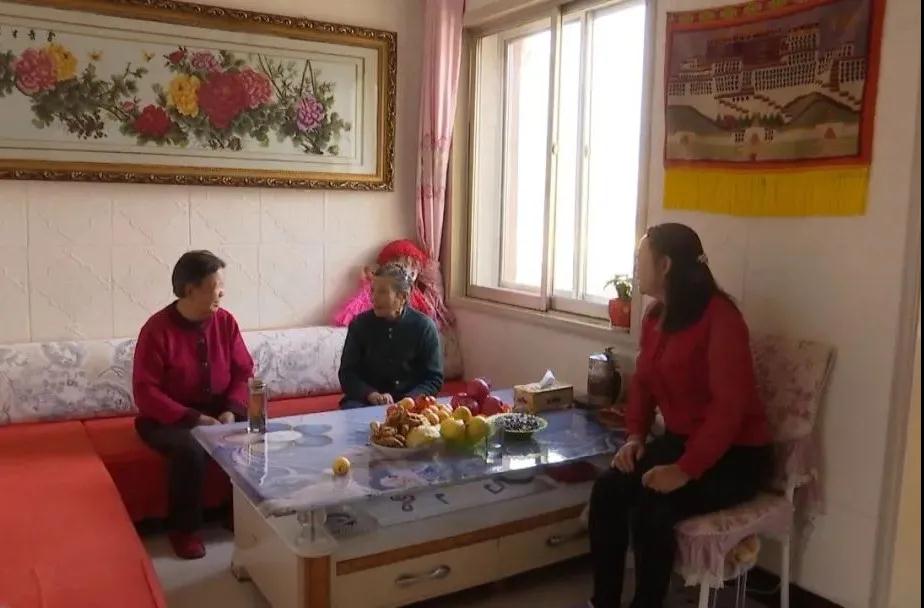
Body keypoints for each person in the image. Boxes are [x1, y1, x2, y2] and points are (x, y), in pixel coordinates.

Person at [588, 224, 772, 608]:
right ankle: (603, 602)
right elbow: (644, 383)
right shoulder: (655, 317)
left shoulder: (722, 319)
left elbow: (729, 409)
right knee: (608, 489)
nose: (635, 268)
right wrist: (635, 437)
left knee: (653, 506)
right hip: (681, 443)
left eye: (640, 260)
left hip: (736, 456)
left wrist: (685, 470)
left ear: (666, 265)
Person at [133, 250, 253, 560]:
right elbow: (146, 393)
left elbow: (243, 371)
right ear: (190, 290)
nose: (222, 293)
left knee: (254, 430)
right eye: (215, 286)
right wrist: (194, 418)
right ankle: (184, 531)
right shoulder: (157, 329)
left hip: (220, 409)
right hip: (168, 417)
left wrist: (231, 409)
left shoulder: (225, 322)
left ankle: (240, 513)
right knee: (190, 449)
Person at [338, 263, 444, 408]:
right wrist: (371, 394)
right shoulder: (359, 325)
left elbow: (433, 378)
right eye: (373, 291)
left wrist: (408, 401)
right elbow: (347, 374)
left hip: (410, 404)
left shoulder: (424, 327)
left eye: (382, 292)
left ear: (403, 296)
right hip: (365, 402)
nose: (373, 298)